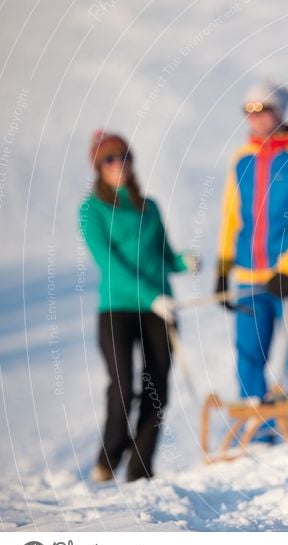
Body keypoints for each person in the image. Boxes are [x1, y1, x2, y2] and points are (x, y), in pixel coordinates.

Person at [79, 131, 199, 482]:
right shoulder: (91, 211)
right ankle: (109, 454)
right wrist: (152, 296)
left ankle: (140, 471)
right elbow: (110, 264)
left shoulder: (149, 207)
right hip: (117, 309)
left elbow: (162, 256)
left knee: (157, 389)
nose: (119, 165)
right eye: (110, 160)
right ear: (98, 167)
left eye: (124, 157)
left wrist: (182, 261)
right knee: (122, 385)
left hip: (159, 310)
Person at [215, 78, 288, 426]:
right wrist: (223, 267)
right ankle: (257, 432)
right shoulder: (241, 157)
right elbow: (231, 215)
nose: (256, 117)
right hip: (249, 275)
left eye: (263, 109)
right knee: (249, 355)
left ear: (279, 111)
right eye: (249, 111)